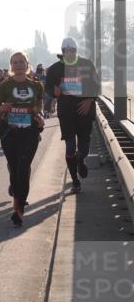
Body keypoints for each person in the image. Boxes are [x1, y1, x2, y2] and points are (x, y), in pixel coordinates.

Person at [0, 52, 45, 226]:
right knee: (15, 169)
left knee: (23, 169)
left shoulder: (37, 86)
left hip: (30, 132)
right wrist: (3, 108)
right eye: (15, 62)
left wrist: (39, 116)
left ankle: (19, 210)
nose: (19, 65)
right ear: (11, 66)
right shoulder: (4, 86)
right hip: (9, 133)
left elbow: (39, 106)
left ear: (27, 64)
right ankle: (17, 196)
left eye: (22, 62)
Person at [45, 37, 100, 193]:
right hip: (66, 112)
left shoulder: (86, 65)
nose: (70, 53)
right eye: (67, 51)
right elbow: (48, 88)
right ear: (62, 52)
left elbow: (96, 85)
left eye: (73, 50)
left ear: (76, 51)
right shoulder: (54, 69)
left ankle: (81, 159)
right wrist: (53, 93)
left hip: (84, 111)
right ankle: (75, 181)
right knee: (70, 147)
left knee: (84, 147)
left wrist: (90, 99)